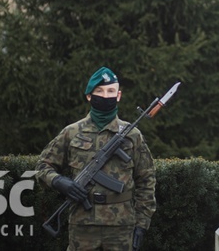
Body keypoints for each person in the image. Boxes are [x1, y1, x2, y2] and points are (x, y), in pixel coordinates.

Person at [36, 67, 156, 251]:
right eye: (99, 91)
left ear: (118, 96)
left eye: (110, 91)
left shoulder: (132, 135)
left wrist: (141, 223)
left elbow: (146, 180)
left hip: (121, 226)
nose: (105, 96)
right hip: (82, 223)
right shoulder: (72, 132)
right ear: (89, 96)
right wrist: (60, 182)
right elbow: (43, 167)